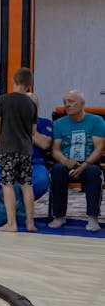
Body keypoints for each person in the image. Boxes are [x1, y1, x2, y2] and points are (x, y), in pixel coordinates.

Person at [0, 67, 39, 232]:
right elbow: (33, 132)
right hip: (26, 149)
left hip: (8, 147)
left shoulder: (3, 100)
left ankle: (11, 224)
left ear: (13, 80)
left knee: (8, 184)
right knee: (27, 185)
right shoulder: (32, 104)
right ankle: (30, 223)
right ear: (29, 84)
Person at [48, 90, 104, 231]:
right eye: (65, 102)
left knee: (94, 173)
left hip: (89, 163)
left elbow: (99, 148)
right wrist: (66, 162)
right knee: (57, 170)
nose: (67, 105)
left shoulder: (96, 121)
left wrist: (84, 165)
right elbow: (55, 149)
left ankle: (92, 218)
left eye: (71, 101)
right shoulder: (59, 123)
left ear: (82, 103)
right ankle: (59, 216)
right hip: (66, 162)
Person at [0, 92, 52, 201]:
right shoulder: (7, 123)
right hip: (9, 162)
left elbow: (45, 144)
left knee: (41, 181)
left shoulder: (45, 123)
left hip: (35, 164)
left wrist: (21, 127)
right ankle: (13, 202)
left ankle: (17, 202)